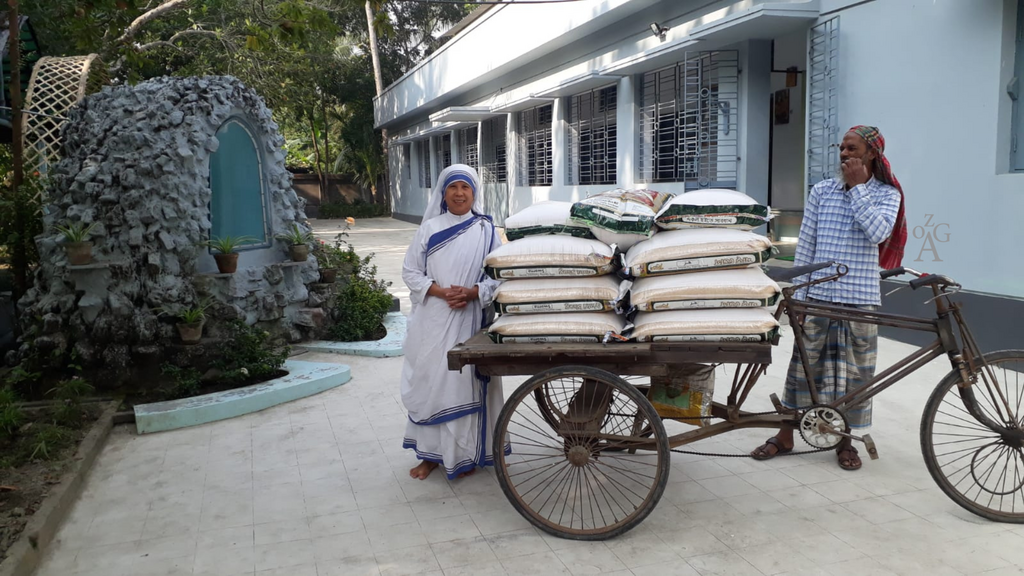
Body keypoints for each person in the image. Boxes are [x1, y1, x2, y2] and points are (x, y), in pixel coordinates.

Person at [751, 125, 907, 471]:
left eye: (852, 148)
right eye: (842, 148)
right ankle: (786, 435)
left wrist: (859, 190)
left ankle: (845, 442)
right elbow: (806, 246)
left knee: (856, 376)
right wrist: (799, 298)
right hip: (818, 296)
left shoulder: (887, 194)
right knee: (803, 370)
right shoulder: (822, 191)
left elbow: (879, 233)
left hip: (860, 299)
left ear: (871, 154)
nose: (844, 154)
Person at [400, 164, 506, 480]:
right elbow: (410, 271)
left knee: (464, 383)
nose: (459, 193)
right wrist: (441, 292)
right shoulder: (430, 228)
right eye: (453, 187)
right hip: (433, 319)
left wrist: (473, 293)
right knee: (432, 382)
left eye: (466, 187)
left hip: (468, 321)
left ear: (474, 193)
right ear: (443, 194)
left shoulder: (486, 230)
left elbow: (498, 276)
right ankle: (431, 456)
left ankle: (469, 453)